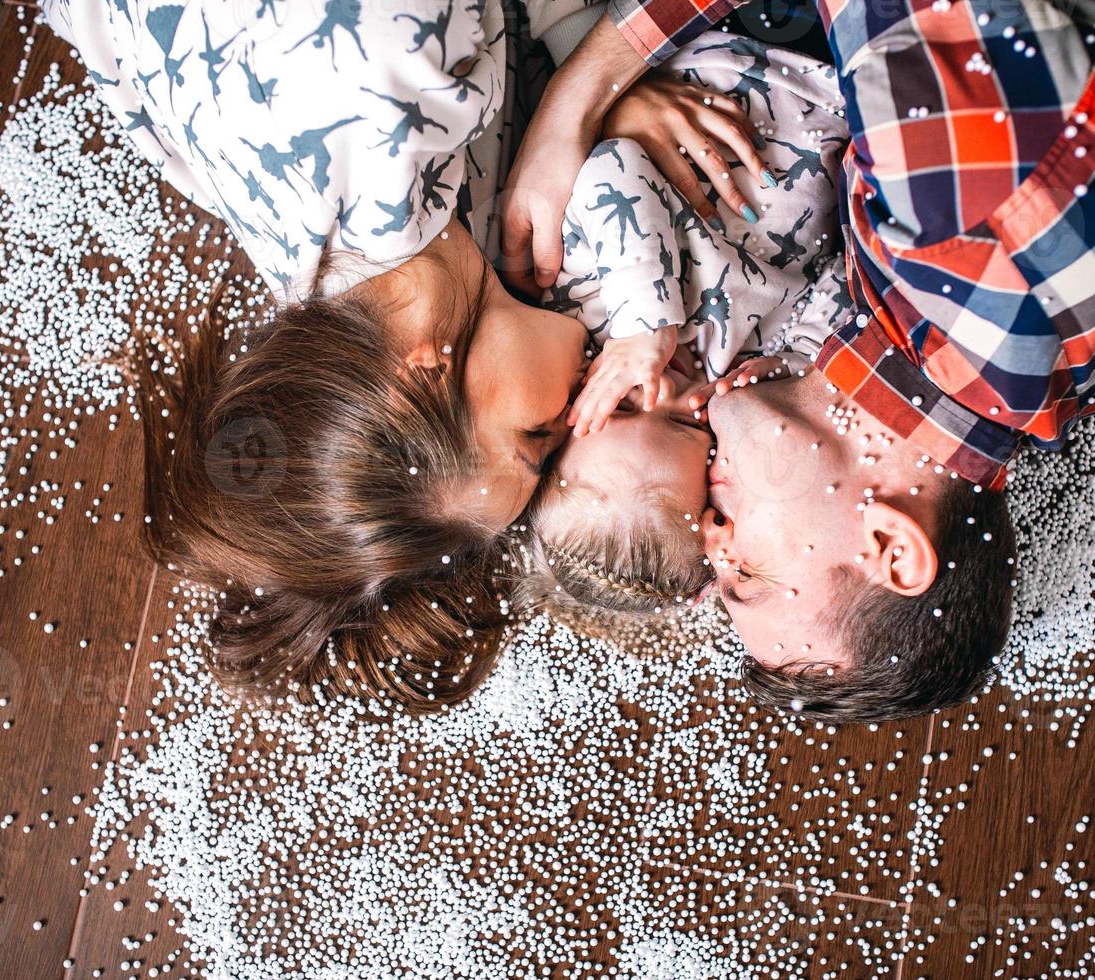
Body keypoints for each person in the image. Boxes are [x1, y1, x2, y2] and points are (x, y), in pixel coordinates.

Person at [501, 0, 1095, 722]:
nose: (711, 544)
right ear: (893, 546)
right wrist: (579, 94)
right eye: (748, 574)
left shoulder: (1062, 374)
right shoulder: (959, 231)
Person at [45, 0, 772, 709]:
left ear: (418, 369)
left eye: (533, 442)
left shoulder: (379, 70)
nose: (577, 419)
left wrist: (589, 85)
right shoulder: (392, 283)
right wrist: (584, 103)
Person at [517, 31, 855, 633]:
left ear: (565, 416)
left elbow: (613, 164)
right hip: (843, 97)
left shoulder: (585, 309)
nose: (667, 390)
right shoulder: (742, 382)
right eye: (686, 425)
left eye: (622, 407)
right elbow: (841, 278)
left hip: (739, 53)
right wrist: (801, 363)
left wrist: (643, 320)